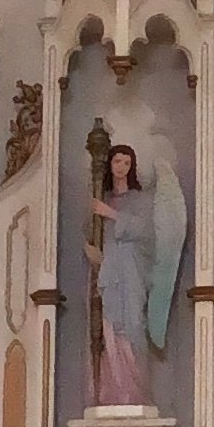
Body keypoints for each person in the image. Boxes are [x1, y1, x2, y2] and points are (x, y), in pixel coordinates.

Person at [82, 137, 185, 411]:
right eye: (117, 161)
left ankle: (134, 391)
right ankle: (112, 390)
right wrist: (93, 253)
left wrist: (112, 214)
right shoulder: (99, 198)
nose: (122, 167)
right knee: (109, 329)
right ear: (110, 165)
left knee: (133, 325)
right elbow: (90, 233)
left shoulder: (140, 200)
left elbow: (148, 233)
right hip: (109, 270)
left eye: (127, 162)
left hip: (133, 271)